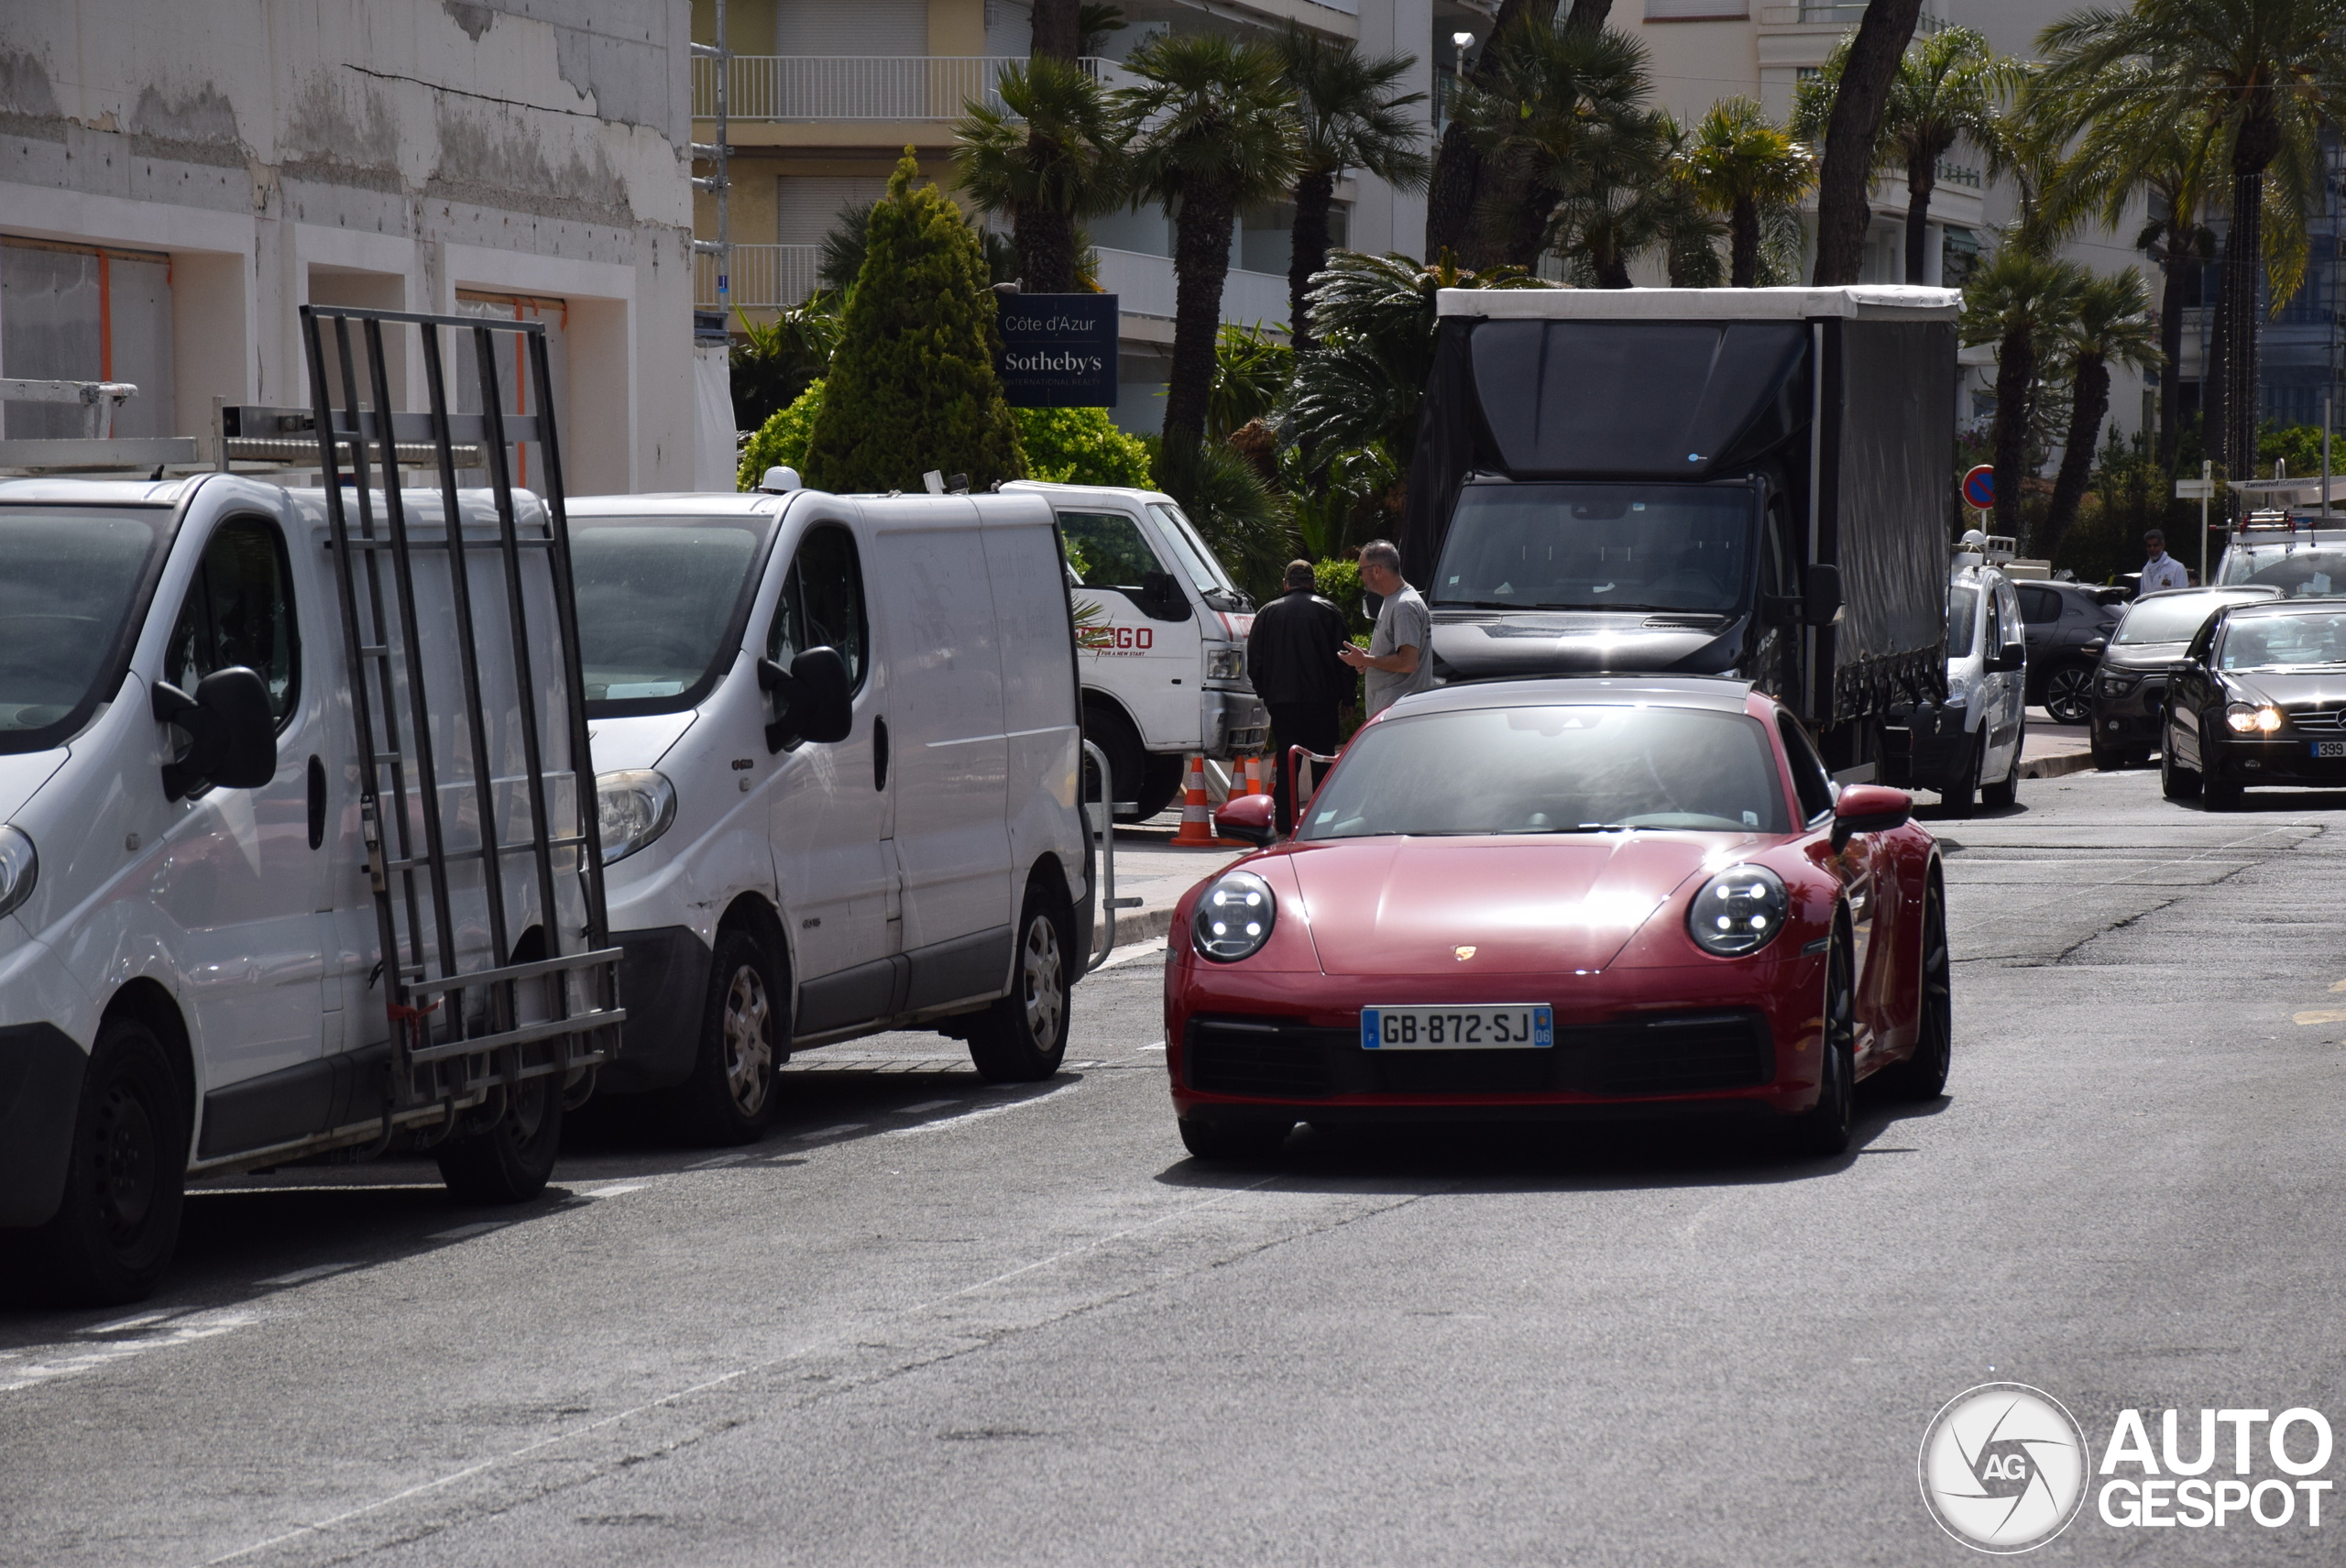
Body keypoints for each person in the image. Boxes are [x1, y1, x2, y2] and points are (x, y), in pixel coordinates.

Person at [1246, 560, 1353, 833]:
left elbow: (1254, 663)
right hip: (1322, 704)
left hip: (1283, 705)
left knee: (1287, 765)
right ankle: (1322, 828)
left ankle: (1285, 826)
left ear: (1286, 584)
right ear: (1312, 582)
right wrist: (1349, 699)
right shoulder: (1329, 611)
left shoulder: (1267, 613)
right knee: (1323, 766)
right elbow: (1346, 660)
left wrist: (1266, 694)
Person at [1340, 539, 1433, 719]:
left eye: (1361, 571)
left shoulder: (1404, 606)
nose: (1360, 576)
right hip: (1394, 713)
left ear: (1376, 570)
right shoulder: (1394, 600)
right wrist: (1368, 659)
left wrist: (1367, 660)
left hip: (1399, 715)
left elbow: (1408, 662)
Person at [2141, 529, 2188, 594]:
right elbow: (2142, 596)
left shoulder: (2177, 568)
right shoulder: (2145, 570)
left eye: (2155, 545)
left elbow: (2182, 597)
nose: (2152, 549)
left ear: (2163, 545)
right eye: (2149, 546)